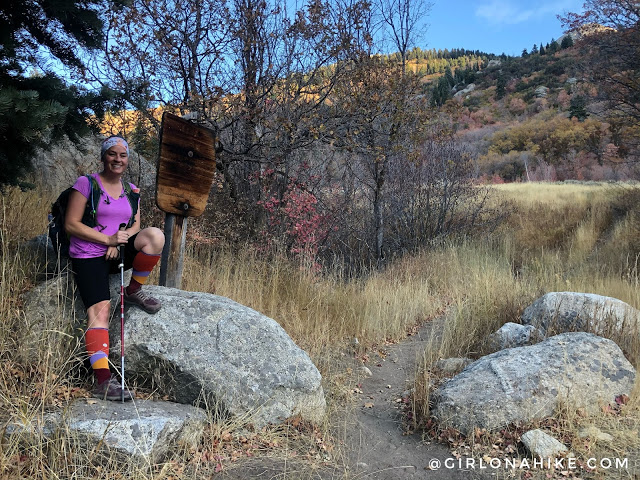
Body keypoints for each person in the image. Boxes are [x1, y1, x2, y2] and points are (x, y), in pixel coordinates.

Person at [65, 135, 165, 401]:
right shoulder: (86, 184)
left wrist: (119, 240)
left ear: (127, 159)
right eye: (112, 154)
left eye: (122, 155)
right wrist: (106, 239)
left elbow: (134, 225)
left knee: (155, 236)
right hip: (88, 254)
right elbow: (72, 224)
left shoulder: (131, 191)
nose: (117, 159)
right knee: (101, 311)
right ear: (103, 156)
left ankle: (132, 291)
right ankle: (103, 380)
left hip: (114, 252)